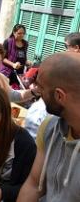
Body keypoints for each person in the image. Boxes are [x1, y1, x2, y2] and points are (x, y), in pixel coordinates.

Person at [17, 52, 80, 202]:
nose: (37, 91)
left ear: (59, 96)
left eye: (40, 86)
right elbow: (33, 184)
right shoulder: (49, 127)